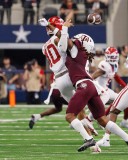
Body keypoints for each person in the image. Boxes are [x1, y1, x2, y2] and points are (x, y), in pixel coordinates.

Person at [43, 18, 128, 153]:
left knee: (69, 116)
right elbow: (65, 43)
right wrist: (55, 27)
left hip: (81, 85)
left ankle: (88, 139)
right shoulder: (82, 53)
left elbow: (63, 43)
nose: (73, 40)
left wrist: (59, 27)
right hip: (90, 86)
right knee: (103, 120)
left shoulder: (74, 50)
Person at [35, 17, 96, 151]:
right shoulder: (58, 38)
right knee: (90, 98)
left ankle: (89, 139)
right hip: (70, 75)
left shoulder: (44, 47)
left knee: (75, 111)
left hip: (59, 81)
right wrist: (64, 30)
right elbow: (63, 45)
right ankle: (92, 121)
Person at [87, 47, 128, 147]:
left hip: (107, 91)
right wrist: (94, 89)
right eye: (111, 57)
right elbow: (92, 77)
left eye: (114, 57)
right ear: (106, 56)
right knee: (98, 110)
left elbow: (116, 77)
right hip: (101, 90)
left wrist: (126, 86)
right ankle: (88, 120)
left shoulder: (114, 65)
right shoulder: (104, 65)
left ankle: (125, 121)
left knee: (125, 100)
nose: (113, 59)